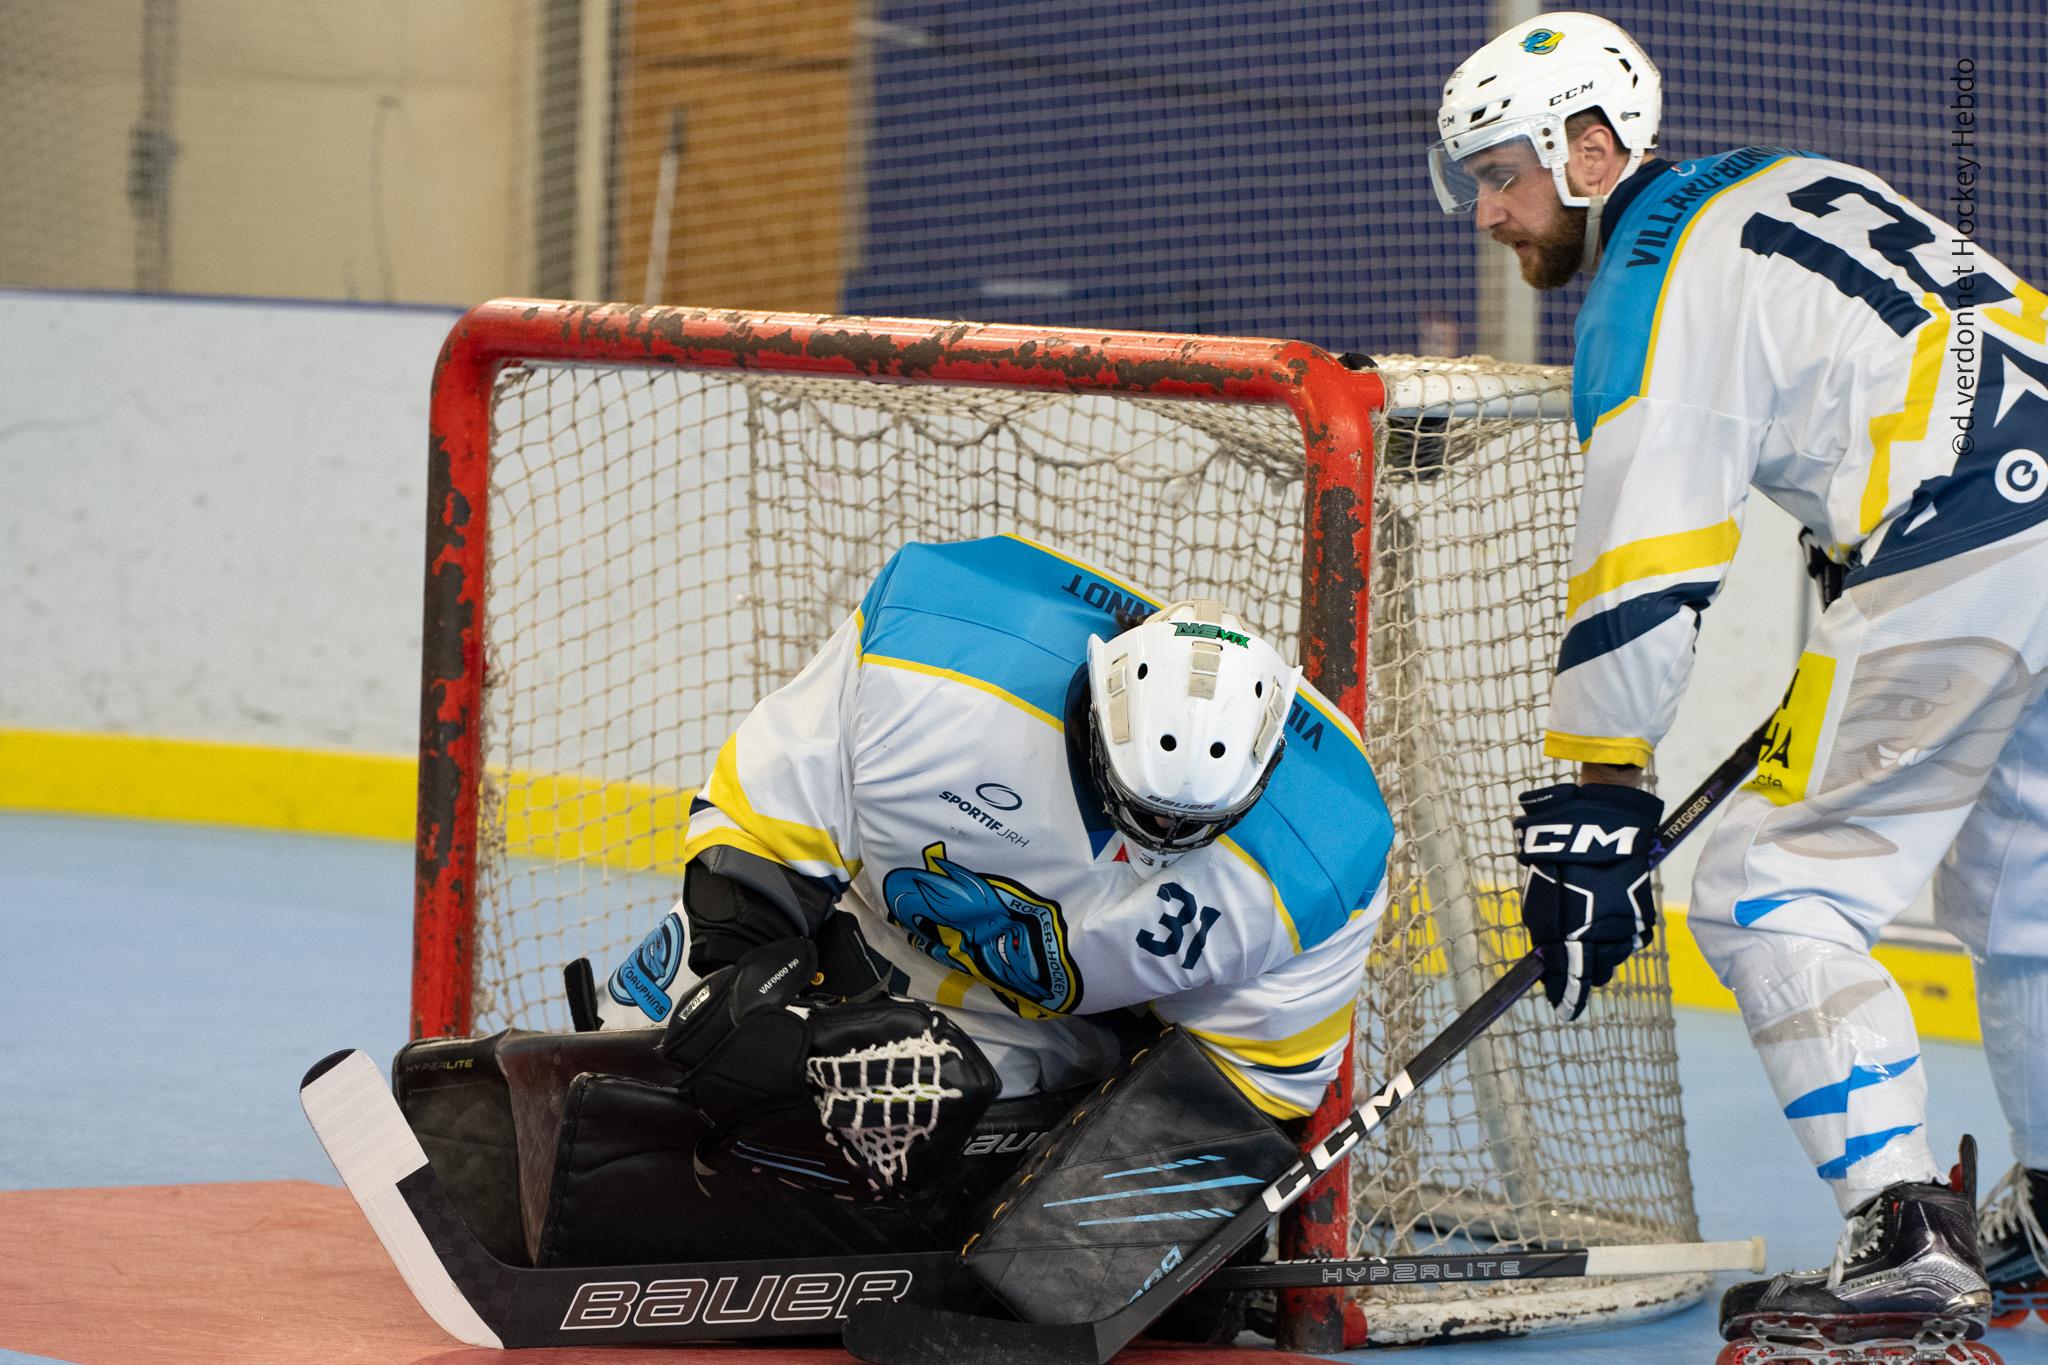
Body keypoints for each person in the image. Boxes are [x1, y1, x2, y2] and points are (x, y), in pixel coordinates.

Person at [1429, 10, 2048, 1352]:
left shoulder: (1650, 273)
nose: (1483, 212)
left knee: (1772, 891)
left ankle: (1901, 1236)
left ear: (1589, 149)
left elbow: (1648, 564)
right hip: (2001, 519)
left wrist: (1597, 787)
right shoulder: (1778, 173)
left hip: (1967, 545)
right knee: (2023, 897)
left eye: (1498, 173)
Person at [575, 533, 1391, 1325]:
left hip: (1028, 1034)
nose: (1156, 844)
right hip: (855, 922)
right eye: (1141, 810)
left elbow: (1243, 1086)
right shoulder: (935, 650)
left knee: (918, 1150)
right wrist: (741, 1001)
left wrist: (1079, 1260)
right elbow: (763, 828)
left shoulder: (1326, 851)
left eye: (1187, 827)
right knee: (644, 1042)